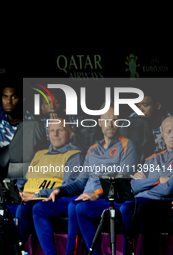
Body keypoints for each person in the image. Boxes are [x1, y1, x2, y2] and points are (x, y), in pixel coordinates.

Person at [34, 104, 137, 255]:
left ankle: (74, 253)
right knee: (39, 208)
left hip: (104, 198)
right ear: (100, 122)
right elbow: (80, 182)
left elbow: (121, 180)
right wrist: (60, 190)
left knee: (76, 206)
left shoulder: (128, 145)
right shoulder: (93, 148)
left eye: (115, 120)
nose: (111, 124)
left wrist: (96, 194)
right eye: (106, 119)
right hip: (84, 196)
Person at [14, 118, 84, 243]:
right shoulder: (39, 154)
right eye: (52, 131)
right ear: (47, 134)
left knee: (23, 208)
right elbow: (23, 180)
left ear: (70, 133)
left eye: (60, 130)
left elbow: (67, 187)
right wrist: (17, 192)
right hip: (23, 198)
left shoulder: (74, 155)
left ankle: (18, 249)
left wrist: (36, 194)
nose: (55, 134)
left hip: (44, 199)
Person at [120, 115, 173, 255]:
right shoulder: (153, 158)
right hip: (148, 202)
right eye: (168, 132)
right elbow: (134, 185)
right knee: (126, 207)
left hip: (166, 203)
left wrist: (146, 185)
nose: (172, 135)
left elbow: (169, 189)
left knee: (144, 207)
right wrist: (158, 179)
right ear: (162, 134)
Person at [128, 88, 172, 153]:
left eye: (145, 105)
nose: (140, 109)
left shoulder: (170, 120)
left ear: (158, 105)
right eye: (138, 105)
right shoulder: (133, 118)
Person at [0, 85, 23, 151]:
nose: (9, 101)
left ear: (22, 99)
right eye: (5, 97)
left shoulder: (31, 120)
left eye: (14, 97)